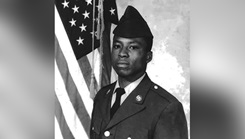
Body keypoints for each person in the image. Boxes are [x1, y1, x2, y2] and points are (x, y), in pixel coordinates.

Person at [90, 5, 188, 139]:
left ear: (148, 56)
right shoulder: (102, 96)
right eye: (117, 46)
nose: (122, 53)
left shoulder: (166, 107)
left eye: (133, 47)